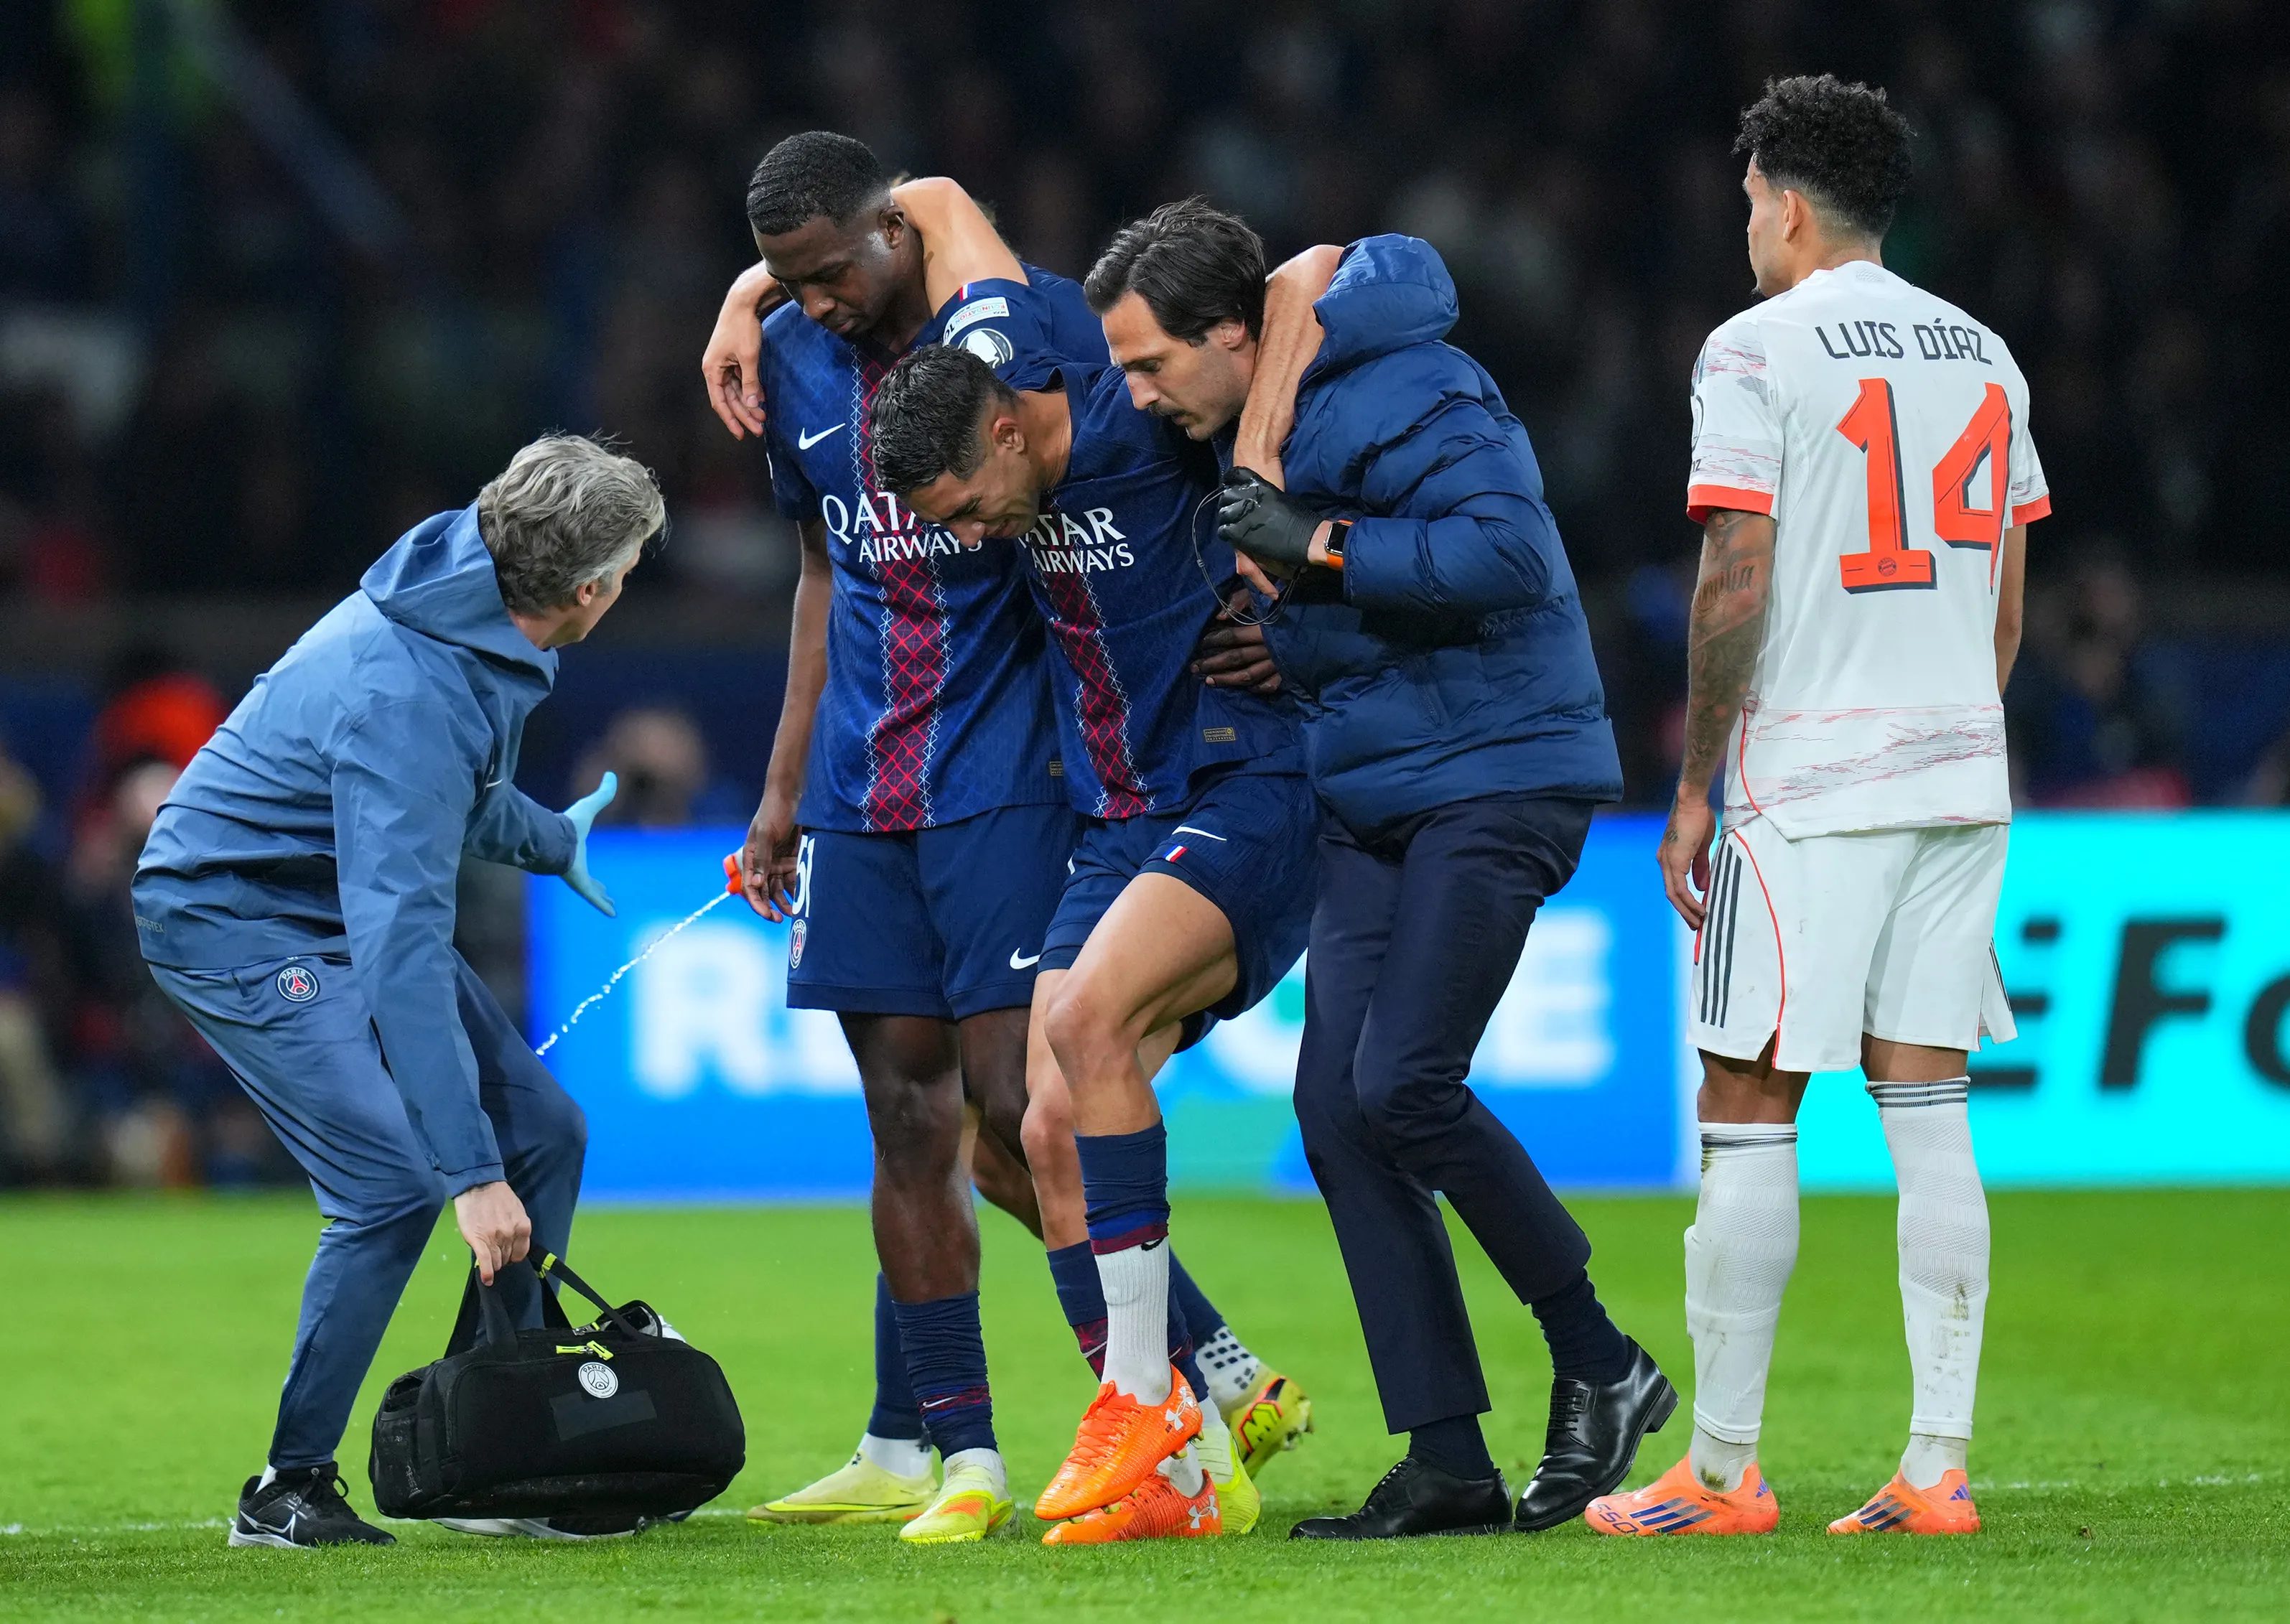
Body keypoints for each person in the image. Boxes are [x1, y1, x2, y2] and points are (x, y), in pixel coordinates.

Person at [702, 134, 1301, 1544]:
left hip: (1020, 777)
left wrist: (1267, 576)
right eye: (786, 280)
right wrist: (782, 793)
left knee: (1014, 1108)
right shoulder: (788, 352)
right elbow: (814, 572)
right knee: (917, 1121)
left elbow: (950, 225)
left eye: (828, 271)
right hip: (861, 784)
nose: (813, 301)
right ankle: (941, 1451)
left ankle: (1184, 1399)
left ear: (897, 240)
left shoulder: (1017, 359)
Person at [1587, 75, 2048, 1541]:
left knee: (1744, 1103)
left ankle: (1719, 1474)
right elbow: (2005, 602)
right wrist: (1946, 728)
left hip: (1814, 780)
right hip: (1957, 773)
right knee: (1927, 1112)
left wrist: (1697, 784)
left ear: (1784, 201)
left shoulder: (1754, 349)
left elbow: (1734, 574)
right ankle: (1937, 1468)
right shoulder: (1987, 354)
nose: (1742, 230)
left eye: (1745, 204)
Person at [1178, 202, 1675, 1538]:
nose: (1142, 395)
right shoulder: (1260, 432)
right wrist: (1289, 643)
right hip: (1380, 788)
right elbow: (1374, 625)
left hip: (1502, 773)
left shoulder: (1416, 379)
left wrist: (1314, 547)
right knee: (1340, 1108)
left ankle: (1600, 1357)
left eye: (1154, 365)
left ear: (1239, 340)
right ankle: (1448, 1456)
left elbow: (1506, 555)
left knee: (1402, 1080)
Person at [132, 434, 656, 1548]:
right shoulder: (410, 685)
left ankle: (495, 1448)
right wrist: (468, 1173)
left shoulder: (475, 593)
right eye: (630, 570)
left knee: (549, 1133)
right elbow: (402, 940)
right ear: (589, 589)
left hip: (328, 893)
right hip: (234, 914)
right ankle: (286, 1487)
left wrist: (549, 834)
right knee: (390, 1180)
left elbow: (446, 796)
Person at [867, 252, 1319, 1539]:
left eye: (964, 504)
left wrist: (1275, 505)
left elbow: (1309, 275)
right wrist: (746, 296)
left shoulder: (1141, 417)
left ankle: (1145, 1399)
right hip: (1118, 820)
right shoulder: (999, 425)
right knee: (1040, 1130)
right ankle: (1179, 1476)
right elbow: (933, 204)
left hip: (1239, 782)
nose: (964, 540)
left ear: (1009, 423)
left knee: (1075, 1035)